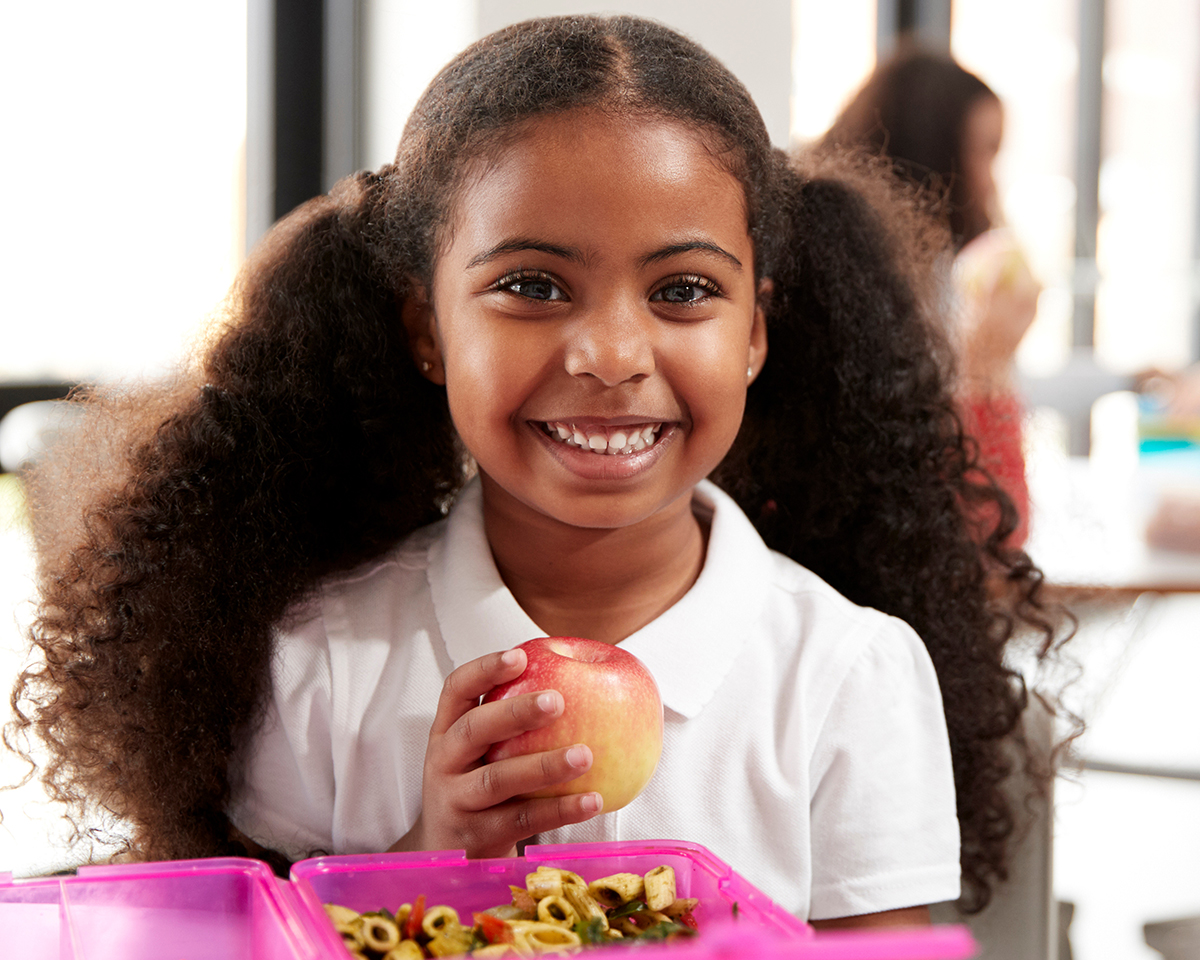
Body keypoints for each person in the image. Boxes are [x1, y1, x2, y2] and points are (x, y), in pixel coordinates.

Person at [9, 15, 1063, 928]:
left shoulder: (851, 676)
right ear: (427, 328)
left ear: (756, 332)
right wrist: (424, 858)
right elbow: (258, 934)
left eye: (685, 290)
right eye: (531, 284)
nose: (610, 354)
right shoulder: (321, 664)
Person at [824, 49, 1040, 546]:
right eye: (986, 152)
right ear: (934, 152)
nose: (990, 181)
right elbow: (991, 539)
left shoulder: (924, 289)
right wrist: (986, 370)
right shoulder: (862, 321)